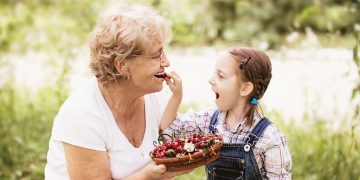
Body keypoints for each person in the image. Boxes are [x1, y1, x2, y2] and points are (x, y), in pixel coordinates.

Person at [45, 4, 189, 179]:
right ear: (122, 65)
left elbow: (177, 141)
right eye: (156, 56)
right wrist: (147, 177)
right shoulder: (82, 115)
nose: (166, 62)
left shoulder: (155, 95)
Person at [161, 47, 292, 179]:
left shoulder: (269, 138)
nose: (211, 80)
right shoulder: (209, 121)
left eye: (221, 76)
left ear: (245, 88)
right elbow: (170, 132)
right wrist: (176, 96)